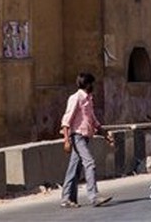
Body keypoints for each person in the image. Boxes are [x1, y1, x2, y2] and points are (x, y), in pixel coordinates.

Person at [60, 72, 114, 208]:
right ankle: (94, 196)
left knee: (74, 168)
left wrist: (104, 134)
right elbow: (66, 121)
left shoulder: (88, 99)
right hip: (77, 136)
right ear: (88, 84)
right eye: (92, 84)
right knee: (90, 163)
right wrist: (66, 140)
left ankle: (67, 198)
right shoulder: (76, 98)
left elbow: (92, 120)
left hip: (85, 136)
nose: (93, 86)